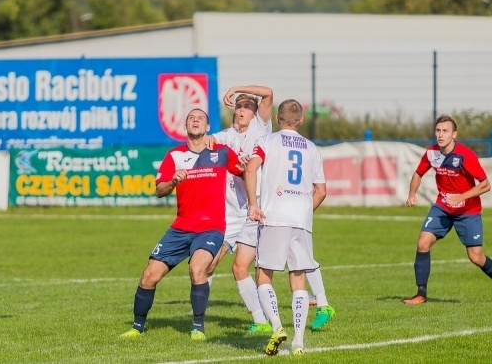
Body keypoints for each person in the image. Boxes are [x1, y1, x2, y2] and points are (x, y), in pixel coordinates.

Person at [204, 86, 335, 335]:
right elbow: (208, 141)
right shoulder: (227, 136)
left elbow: (267, 93)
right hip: (237, 212)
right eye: (239, 105)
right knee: (240, 267)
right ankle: (264, 320)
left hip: (264, 208)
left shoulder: (262, 131)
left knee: (278, 266)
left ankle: (317, 305)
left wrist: (236, 88)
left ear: (263, 115)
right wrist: (208, 139)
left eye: (248, 106)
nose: (243, 109)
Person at [120, 108, 243, 341]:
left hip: (211, 227)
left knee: (197, 270)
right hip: (180, 228)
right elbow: (159, 190)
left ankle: (198, 328)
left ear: (208, 127)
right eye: (191, 118)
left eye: (200, 119)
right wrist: (173, 181)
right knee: (149, 276)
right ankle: (137, 327)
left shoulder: (222, 152)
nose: (195, 121)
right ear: (186, 126)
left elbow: (246, 171)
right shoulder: (174, 155)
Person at [245, 99, 328, 356]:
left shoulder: (268, 141)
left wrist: (252, 204)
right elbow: (321, 191)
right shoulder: (313, 148)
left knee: (263, 274)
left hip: (274, 216)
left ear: (279, 119)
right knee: (299, 279)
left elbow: (251, 168)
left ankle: (278, 327)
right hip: (301, 221)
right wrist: (304, 211)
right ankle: (299, 342)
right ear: (301, 120)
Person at [404, 114, 492, 306]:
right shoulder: (431, 153)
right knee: (423, 243)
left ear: (454, 134)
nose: (440, 135)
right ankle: (421, 293)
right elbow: (418, 173)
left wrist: (461, 197)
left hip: (468, 211)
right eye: (438, 131)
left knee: (475, 256)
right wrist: (412, 194)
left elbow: (486, 185)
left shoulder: (465, 156)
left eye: (445, 131)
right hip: (443, 208)